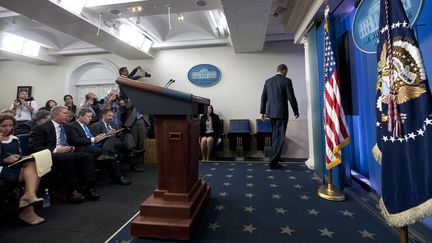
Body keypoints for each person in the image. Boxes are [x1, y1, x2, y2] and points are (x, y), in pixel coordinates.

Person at [28, 106, 100, 203]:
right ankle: (72, 191)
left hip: (67, 152)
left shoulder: (67, 127)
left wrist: (72, 147)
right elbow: (34, 147)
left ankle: (89, 188)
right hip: (51, 153)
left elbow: (74, 141)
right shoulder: (41, 128)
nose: (68, 115)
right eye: (65, 113)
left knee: (87, 156)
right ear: (55, 115)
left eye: (68, 113)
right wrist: (57, 150)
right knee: (69, 157)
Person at [0, 114, 46, 225]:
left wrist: (19, 158)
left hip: (13, 166)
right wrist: (5, 160)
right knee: (35, 174)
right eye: (3, 126)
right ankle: (28, 209)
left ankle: (29, 197)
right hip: (2, 168)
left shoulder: (14, 138)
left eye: (10, 125)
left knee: (32, 163)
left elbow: (19, 153)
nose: (7, 128)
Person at [67, 108, 131, 185]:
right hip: (84, 147)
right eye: (88, 116)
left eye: (91, 117)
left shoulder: (88, 125)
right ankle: (119, 177)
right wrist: (93, 139)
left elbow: (94, 136)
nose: (90, 118)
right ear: (81, 116)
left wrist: (102, 135)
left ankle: (107, 157)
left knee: (110, 139)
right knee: (109, 155)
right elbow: (76, 141)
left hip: (95, 144)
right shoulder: (72, 126)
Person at [260, 64, 299, 169]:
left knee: (275, 136)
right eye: (287, 71)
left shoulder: (268, 81)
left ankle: (275, 159)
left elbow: (263, 97)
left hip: (271, 113)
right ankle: (273, 161)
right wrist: (296, 111)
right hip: (281, 113)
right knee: (280, 137)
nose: (287, 73)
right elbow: (291, 97)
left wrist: (262, 112)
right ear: (284, 70)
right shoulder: (286, 81)